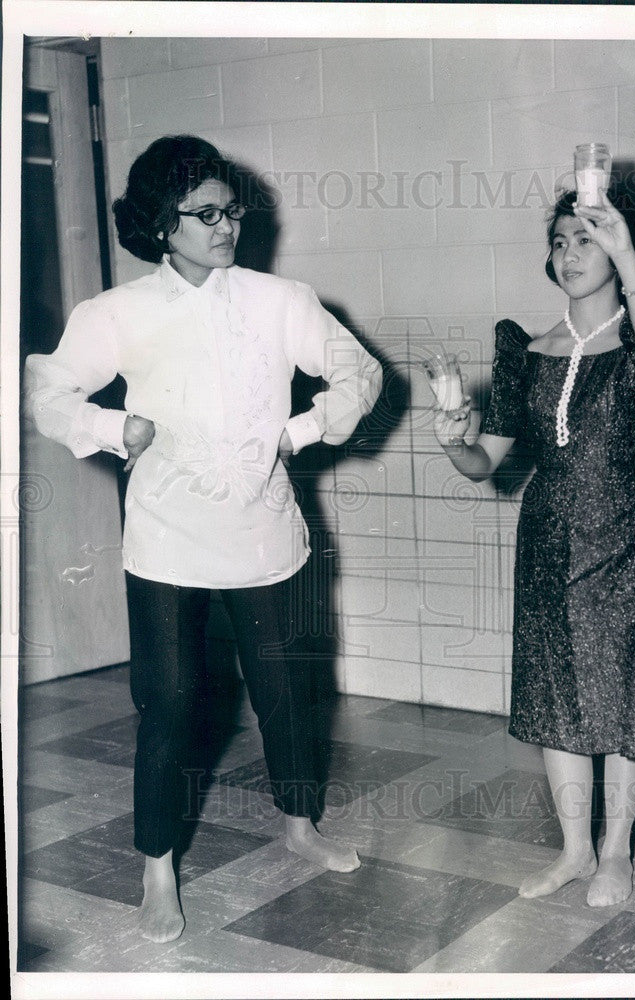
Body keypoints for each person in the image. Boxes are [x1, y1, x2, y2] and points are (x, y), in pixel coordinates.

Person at [26, 135, 382, 942]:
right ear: (162, 224)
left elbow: (358, 372)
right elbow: (45, 389)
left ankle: (300, 825)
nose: (228, 226)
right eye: (207, 214)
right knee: (172, 700)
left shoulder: (279, 299)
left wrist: (302, 430)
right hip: (166, 536)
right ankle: (157, 869)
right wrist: (114, 426)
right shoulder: (115, 313)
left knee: (287, 688)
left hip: (264, 530)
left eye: (234, 211)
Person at [433, 188, 635, 907]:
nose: (570, 252)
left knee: (624, 694)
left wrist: (627, 251)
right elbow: (484, 463)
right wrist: (455, 442)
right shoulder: (528, 353)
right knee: (556, 695)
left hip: (625, 537)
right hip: (549, 537)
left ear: (615, 250)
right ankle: (576, 850)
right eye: (559, 240)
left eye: (586, 238)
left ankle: (616, 851)